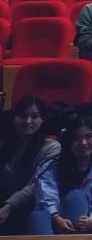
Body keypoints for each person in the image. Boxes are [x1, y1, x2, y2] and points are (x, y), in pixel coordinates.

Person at [29, 116, 92, 235]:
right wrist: (57, 218)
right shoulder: (52, 166)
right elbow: (46, 195)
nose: (83, 143)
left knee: (76, 197)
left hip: (84, 223)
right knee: (39, 215)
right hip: (53, 219)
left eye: (89, 137)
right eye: (76, 138)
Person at [0, 97, 60, 234]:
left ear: (42, 119)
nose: (28, 121)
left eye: (34, 116)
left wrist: (9, 206)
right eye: (22, 116)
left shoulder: (52, 147)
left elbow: (39, 184)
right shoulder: (3, 145)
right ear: (14, 118)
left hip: (33, 207)